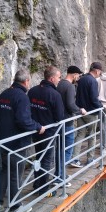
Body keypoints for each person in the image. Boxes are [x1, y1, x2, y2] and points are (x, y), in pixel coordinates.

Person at [0, 69, 45, 212]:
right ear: (26, 81)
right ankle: (15, 205)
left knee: (5, 171)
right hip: (17, 143)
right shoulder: (22, 97)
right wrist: (38, 127)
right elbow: (24, 121)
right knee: (16, 174)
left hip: (3, 140)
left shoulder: (4, 94)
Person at [28, 66, 64, 197]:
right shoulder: (55, 94)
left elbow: (29, 111)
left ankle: (37, 184)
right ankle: (43, 189)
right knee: (47, 160)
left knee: (39, 157)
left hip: (35, 130)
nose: (59, 80)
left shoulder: (32, 91)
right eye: (59, 77)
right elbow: (60, 117)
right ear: (52, 78)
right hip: (48, 132)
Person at [55, 66, 86, 184]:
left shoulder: (60, 84)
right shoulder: (70, 86)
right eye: (78, 75)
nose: (78, 78)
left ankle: (59, 175)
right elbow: (70, 105)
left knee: (60, 150)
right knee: (67, 151)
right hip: (67, 122)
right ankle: (60, 177)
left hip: (59, 122)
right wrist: (80, 110)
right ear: (74, 75)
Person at [70, 62, 103, 167]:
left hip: (81, 111)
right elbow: (94, 98)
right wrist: (100, 107)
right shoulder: (92, 81)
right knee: (92, 135)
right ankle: (90, 159)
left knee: (80, 134)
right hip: (91, 112)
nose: (99, 74)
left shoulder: (82, 79)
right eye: (100, 72)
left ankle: (74, 159)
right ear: (97, 71)